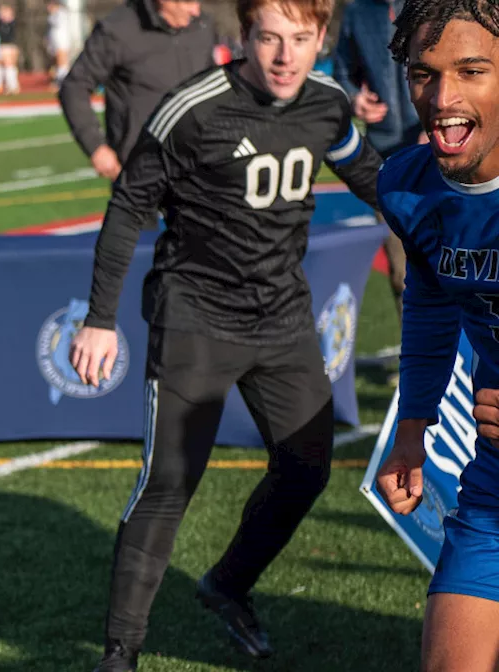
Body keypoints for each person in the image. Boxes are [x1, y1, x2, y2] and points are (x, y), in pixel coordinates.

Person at [65, 0, 384, 667]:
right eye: (269, 37)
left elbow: (376, 182)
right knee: (169, 484)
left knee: (307, 469)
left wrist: (463, 208)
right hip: (196, 319)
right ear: (242, 36)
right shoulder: (194, 107)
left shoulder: (327, 103)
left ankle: (228, 584)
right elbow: (127, 209)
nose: (284, 54)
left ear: (321, 37)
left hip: (283, 319)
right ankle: (119, 654)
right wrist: (99, 320)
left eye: (301, 38)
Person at [375, 1, 499, 669]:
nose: (443, 99)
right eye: (424, 74)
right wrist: (411, 427)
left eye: (472, 70)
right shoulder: (409, 188)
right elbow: (431, 303)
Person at [332, 0, 423, 328]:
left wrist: (434, 124)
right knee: (402, 273)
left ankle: (466, 363)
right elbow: (342, 72)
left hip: (441, 151)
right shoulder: (356, 13)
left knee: (457, 264)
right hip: (386, 162)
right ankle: (417, 365)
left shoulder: (435, 5)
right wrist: (355, 98)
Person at [59, 0, 213, 182]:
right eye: (188, 2)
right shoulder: (118, 29)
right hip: (140, 169)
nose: (196, 10)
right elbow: (74, 87)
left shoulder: (203, 26)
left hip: (197, 165)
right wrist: (95, 147)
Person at [0, 4, 20, 95]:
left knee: (10, 66)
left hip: (10, 46)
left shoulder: (13, 23)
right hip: (3, 46)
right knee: (5, 67)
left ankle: (13, 86)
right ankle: (8, 86)